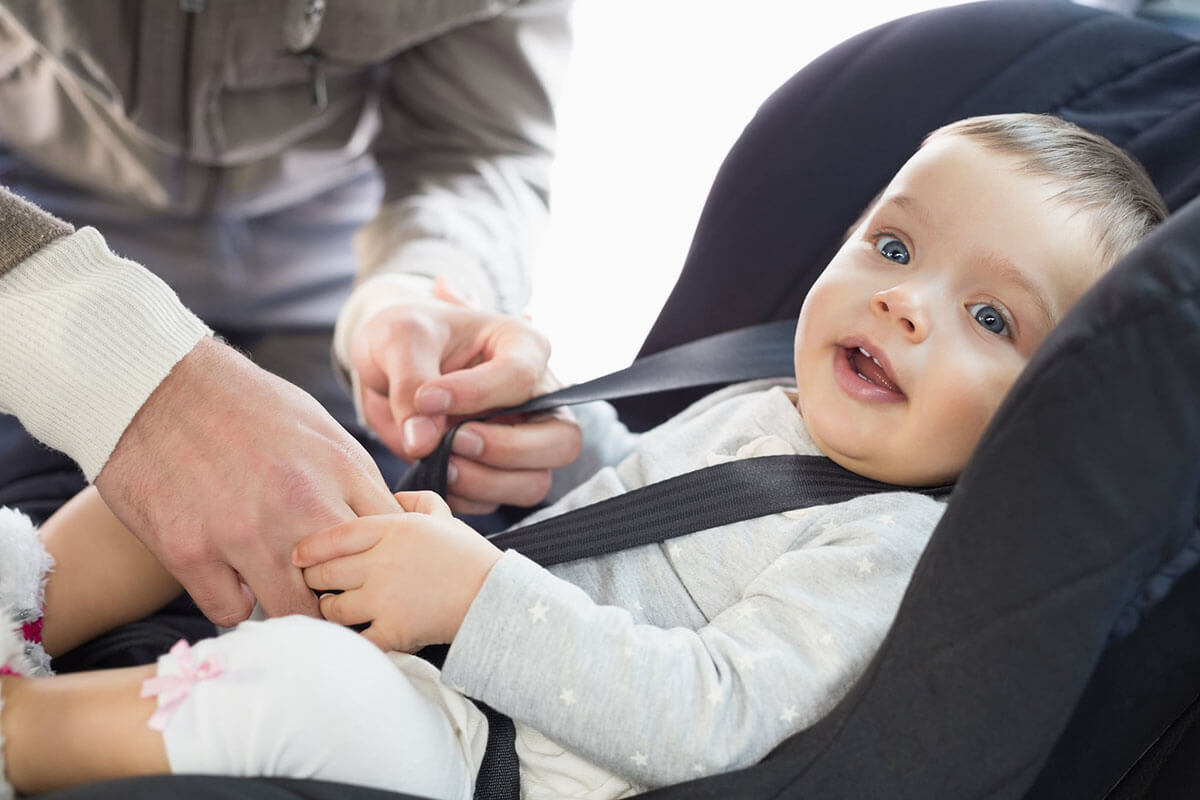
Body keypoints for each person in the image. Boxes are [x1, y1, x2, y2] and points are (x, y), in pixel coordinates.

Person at [0, 113, 1167, 800]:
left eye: (992, 319)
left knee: (309, 690)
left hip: (494, 755)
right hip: (461, 622)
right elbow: (657, 495)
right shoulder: (777, 402)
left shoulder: (890, 542)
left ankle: (22, 732)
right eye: (895, 245)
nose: (907, 303)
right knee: (230, 465)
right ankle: (22, 601)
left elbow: (706, 708)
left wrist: (478, 593)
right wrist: (571, 455)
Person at [0, 0, 581, 628]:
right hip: (38, 229)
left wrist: (414, 292)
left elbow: (478, 145)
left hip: (330, 283)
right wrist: (122, 369)